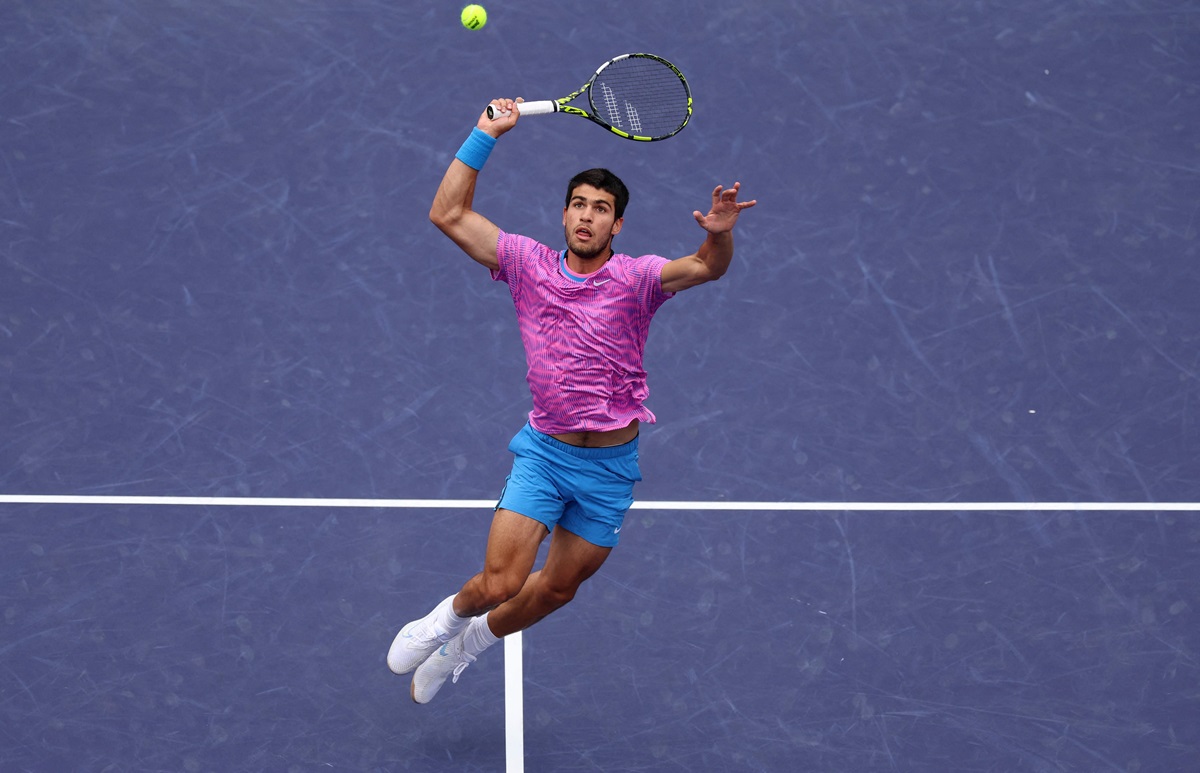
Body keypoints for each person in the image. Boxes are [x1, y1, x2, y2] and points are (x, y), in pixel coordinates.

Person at [388, 97, 756, 704]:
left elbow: (704, 269)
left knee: (558, 590)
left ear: (617, 227)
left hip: (610, 466)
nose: (588, 217)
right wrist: (485, 133)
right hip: (547, 454)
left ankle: (468, 646)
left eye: (602, 209)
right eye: (579, 205)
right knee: (500, 581)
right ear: (564, 216)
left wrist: (719, 238)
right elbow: (447, 213)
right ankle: (444, 622)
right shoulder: (526, 264)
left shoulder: (638, 279)